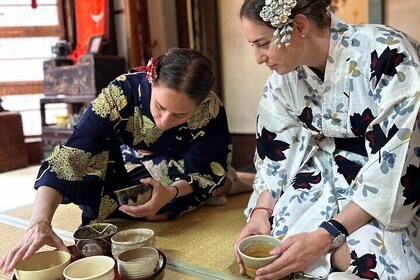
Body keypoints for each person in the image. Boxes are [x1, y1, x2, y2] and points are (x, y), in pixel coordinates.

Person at [0, 47, 252, 273]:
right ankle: (216, 184)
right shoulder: (118, 94)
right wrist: (39, 222)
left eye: (179, 115)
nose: (164, 121)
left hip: (185, 165)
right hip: (134, 159)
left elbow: (208, 166)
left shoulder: (210, 108)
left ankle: (232, 182)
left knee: (166, 208)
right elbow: (72, 155)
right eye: (160, 107)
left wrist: (172, 192)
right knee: (126, 202)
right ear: (151, 80)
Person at [234, 0, 420, 279]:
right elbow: (277, 150)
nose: (258, 58)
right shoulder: (284, 77)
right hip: (325, 167)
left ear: (299, 26)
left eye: (263, 43)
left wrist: (328, 235)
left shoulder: (388, 52)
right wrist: (261, 212)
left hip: (387, 176)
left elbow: (399, 160)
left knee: (374, 255)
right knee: (277, 240)